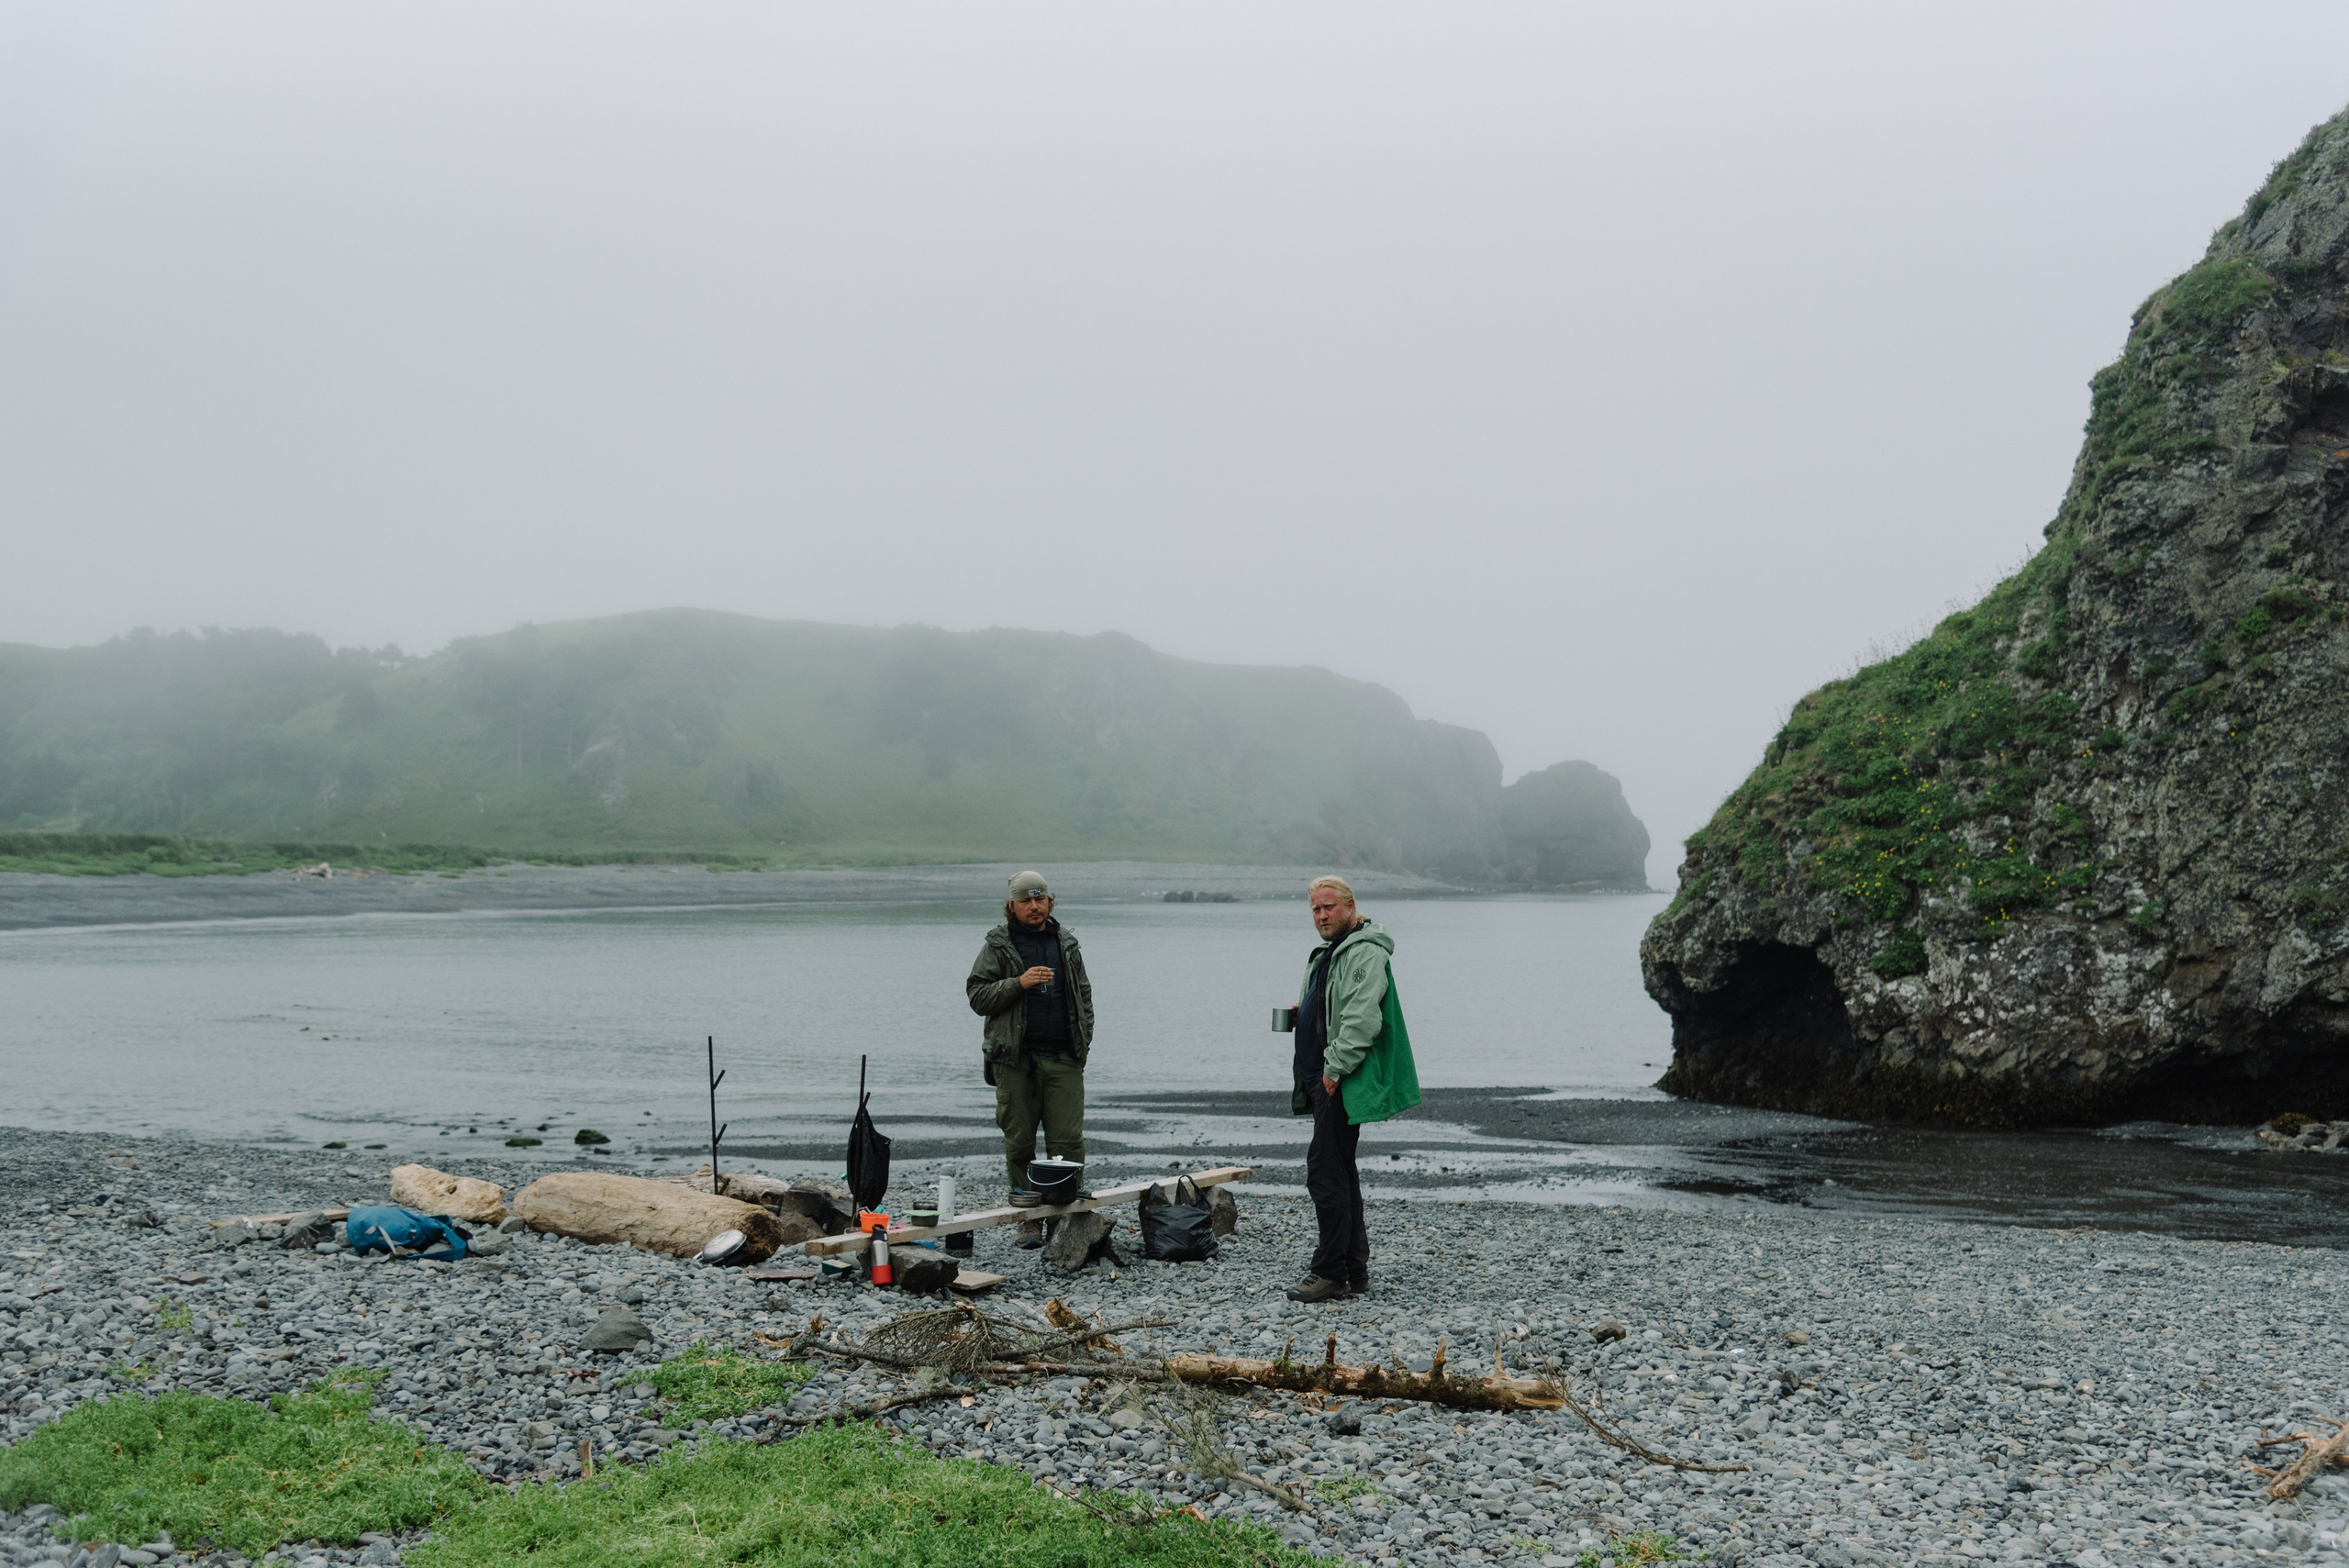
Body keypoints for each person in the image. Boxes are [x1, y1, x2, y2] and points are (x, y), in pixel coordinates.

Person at [1286, 874, 1420, 1302]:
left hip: (1338, 1080)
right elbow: (1338, 1002)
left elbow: (1363, 1018)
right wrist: (1306, 1011)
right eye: (1315, 909)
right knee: (1340, 1170)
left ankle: (1330, 1273)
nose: (1322, 915)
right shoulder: (1333, 950)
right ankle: (1353, 1269)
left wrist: (1335, 1069)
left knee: (1325, 1172)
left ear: (1349, 906)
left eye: (1329, 907)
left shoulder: (1365, 950)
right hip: (1324, 1076)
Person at [966, 870, 1094, 1248]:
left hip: (1064, 1058)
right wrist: (1018, 983)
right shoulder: (998, 945)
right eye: (1026, 901)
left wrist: (1083, 1045)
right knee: (1020, 1143)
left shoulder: (1066, 943)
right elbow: (977, 996)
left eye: (1040, 899)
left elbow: (1084, 997)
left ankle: (1063, 1220)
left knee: (1067, 1144)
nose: (1034, 906)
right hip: (1014, 1060)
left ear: (1050, 901)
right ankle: (1028, 1220)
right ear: (1012, 906)